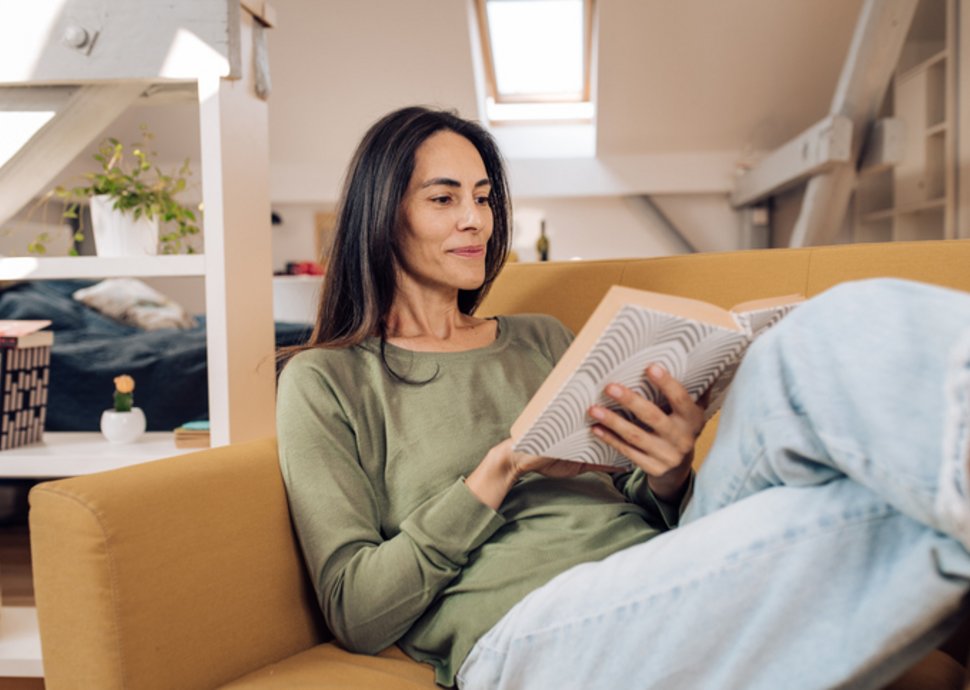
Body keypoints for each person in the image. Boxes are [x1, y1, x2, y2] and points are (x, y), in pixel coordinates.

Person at [276, 105, 970, 689]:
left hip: (666, 560)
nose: (475, 221)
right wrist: (502, 468)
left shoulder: (539, 338)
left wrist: (670, 472)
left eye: (484, 198)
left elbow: (643, 496)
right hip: (529, 631)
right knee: (874, 507)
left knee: (822, 331)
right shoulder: (330, 379)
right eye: (444, 197)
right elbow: (358, 610)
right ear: (382, 213)